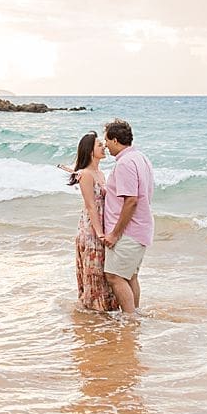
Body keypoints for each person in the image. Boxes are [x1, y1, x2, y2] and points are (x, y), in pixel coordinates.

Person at [100, 119, 154, 314]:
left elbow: (131, 200)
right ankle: (134, 315)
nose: (105, 145)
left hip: (128, 232)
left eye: (106, 140)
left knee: (114, 276)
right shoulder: (140, 157)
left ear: (115, 140)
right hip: (141, 228)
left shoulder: (125, 163)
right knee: (130, 276)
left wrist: (114, 234)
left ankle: (130, 320)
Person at [64, 131, 118, 312]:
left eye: (103, 144)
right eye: (99, 145)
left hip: (102, 227)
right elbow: (91, 205)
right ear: (89, 151)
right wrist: (100, 233)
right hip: (91, 230)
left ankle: (104, 313)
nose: (104, 147)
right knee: (94, 272)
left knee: (103, 272)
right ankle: (94, 315)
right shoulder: (86, 174)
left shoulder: (100, 173)